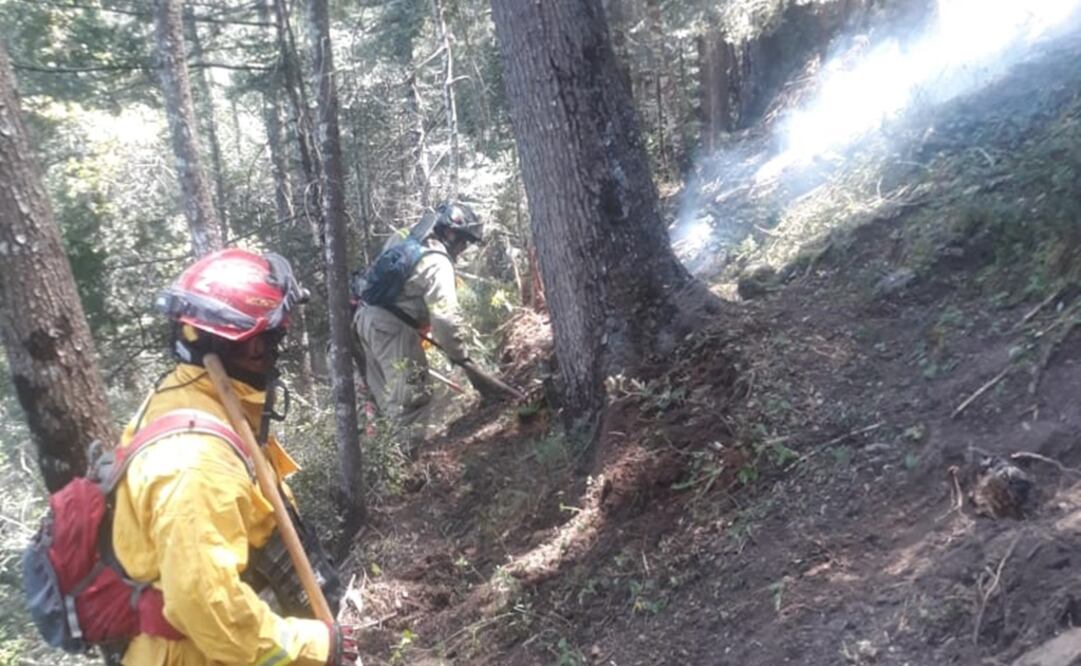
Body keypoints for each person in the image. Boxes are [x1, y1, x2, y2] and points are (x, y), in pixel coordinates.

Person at [109, 248, 360, 665]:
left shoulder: (190, 397)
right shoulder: (195, 465)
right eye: (277, 336)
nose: (279, 348)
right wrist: (314, 646)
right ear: (253, 346)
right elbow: (207, 606)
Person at [353, 201, 494, 438]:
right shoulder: (438, 262)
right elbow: (445, 319)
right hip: (392, 330)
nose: (463, 247)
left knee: (386, 403)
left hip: (364, 320)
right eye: (463, 241)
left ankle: (384, 466)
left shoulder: (405, 238)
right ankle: (411, 467)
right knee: (411, 400)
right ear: (450, 233)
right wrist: (461, 357)